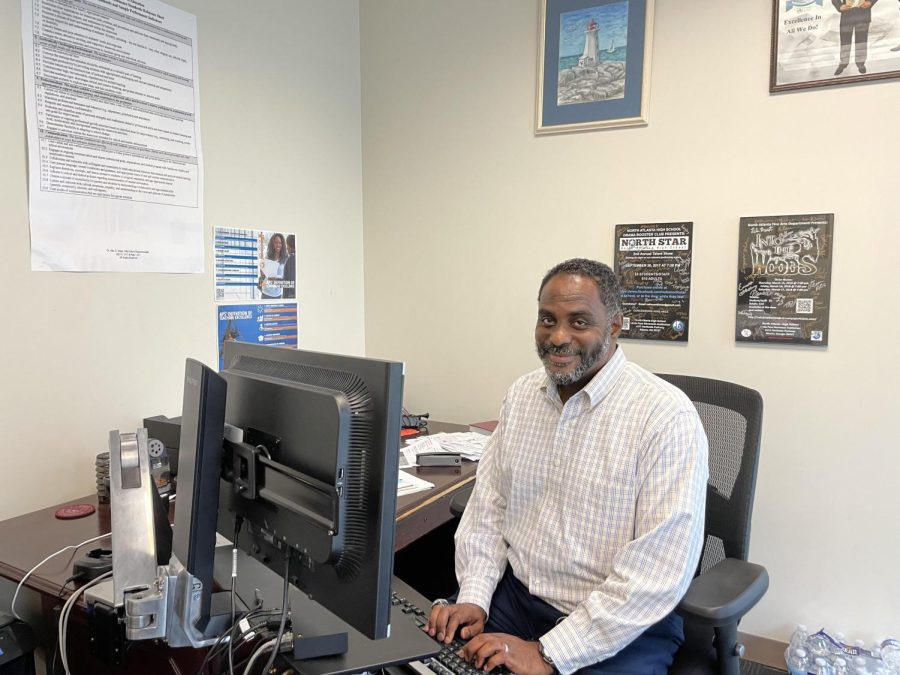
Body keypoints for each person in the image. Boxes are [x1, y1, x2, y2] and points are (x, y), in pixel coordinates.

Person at [427, 258, 709, 675]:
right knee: (429, 661)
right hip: (516, 600)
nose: (558, 337)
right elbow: (490, 508)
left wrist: (546, 653)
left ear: (615, 326)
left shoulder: (665, 417)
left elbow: (656, 572)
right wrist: (473, 596)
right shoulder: (522, 396)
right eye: (547, 319)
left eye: (579, 322)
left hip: (619, 625)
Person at [832, 0, 879, 76]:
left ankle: (860, 63)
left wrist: (870, 2)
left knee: (861, 40)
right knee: (845, 41)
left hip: (863, 13)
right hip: (846, 14)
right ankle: (843, 63)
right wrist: (839, 6)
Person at [259, 232, 288, 299]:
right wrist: (262, 275)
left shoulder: (286, 259)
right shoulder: (267, 258)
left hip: (277, 294)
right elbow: (262, 280)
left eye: (280, 243)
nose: (278, 245)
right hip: (265, 293)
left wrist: (276, 280)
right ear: (272, 244)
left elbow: (287, 279)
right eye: (276, 242)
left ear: (283, 244)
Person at [283, 234, 296, 299]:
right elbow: (262, 284)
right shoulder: (266, 260)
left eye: (280, 243)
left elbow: (291, 282)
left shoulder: (289, 259)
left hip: (288, 297)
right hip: (268, 295)